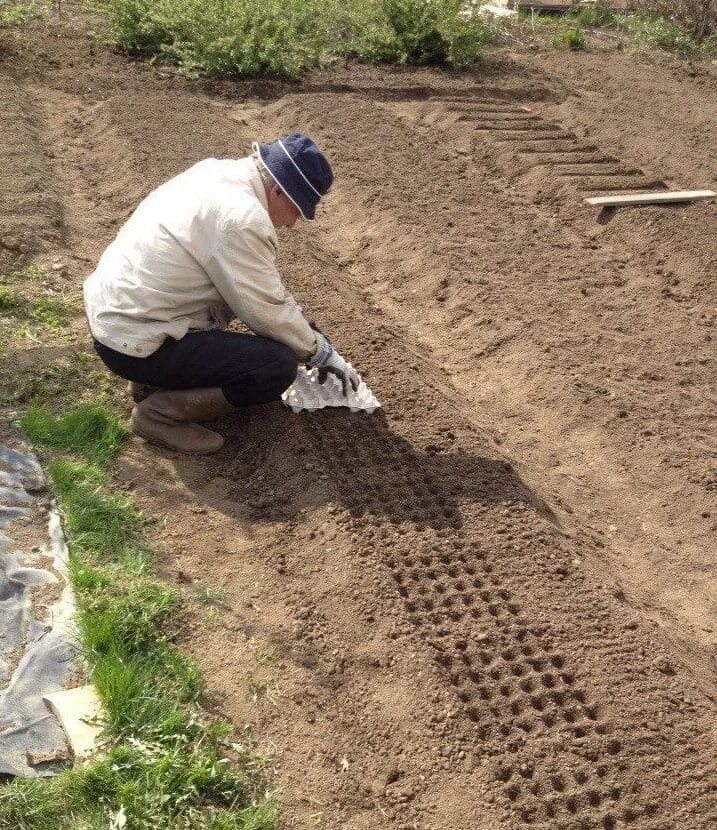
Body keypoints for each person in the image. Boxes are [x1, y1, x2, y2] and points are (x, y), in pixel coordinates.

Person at [84, 133, 360, 454]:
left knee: (246, 333)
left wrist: (301, 327)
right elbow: (264, 309)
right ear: (278, 191)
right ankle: (160, 415)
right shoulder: (243, 219)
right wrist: (320, 352)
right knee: (276, 366)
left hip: (118, 318)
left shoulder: (216, 172)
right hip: (132, 339)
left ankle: (154, 378)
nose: (293, 224)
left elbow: (260, 287)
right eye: (297, 211)